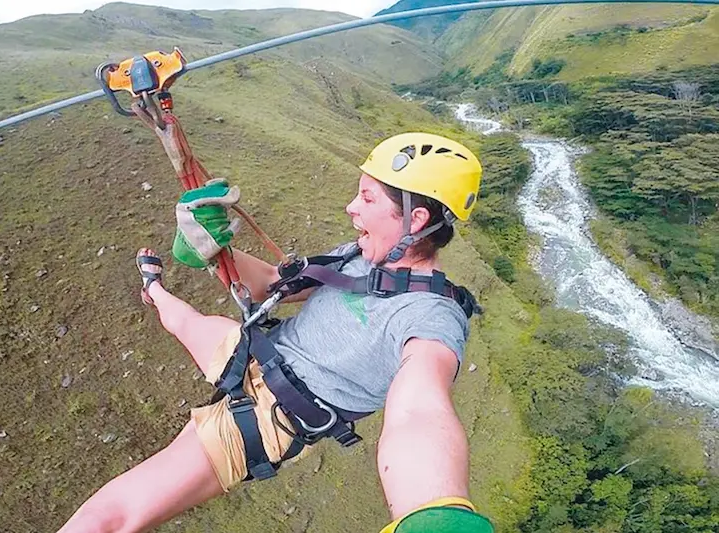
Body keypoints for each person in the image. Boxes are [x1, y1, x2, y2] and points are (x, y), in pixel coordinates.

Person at [57, 132, 494, 533]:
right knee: (184, 320)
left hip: (267, 419)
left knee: (104, 520)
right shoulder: (358, 258)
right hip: (253, 353)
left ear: (414, 220)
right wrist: (215, 249)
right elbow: (271, 284)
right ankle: (154, 289)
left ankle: (153, 288)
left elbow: (419, 410)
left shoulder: (431, 316)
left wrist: (434, 513)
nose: (351, 208)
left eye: (366, 198)